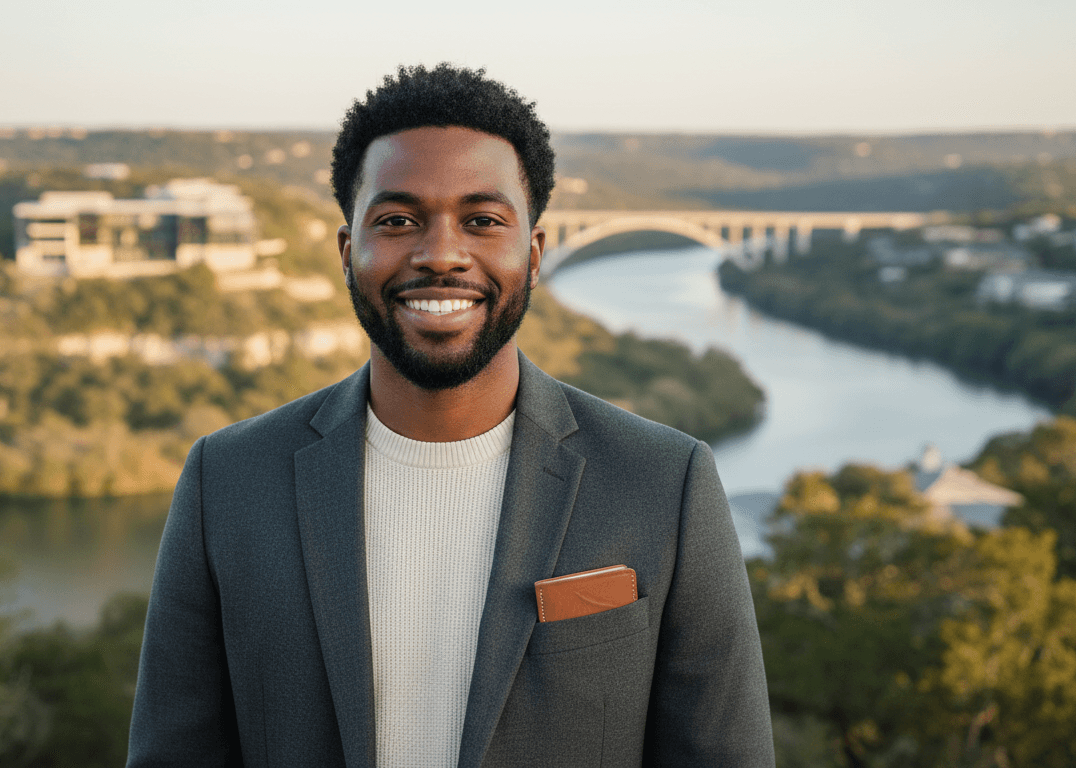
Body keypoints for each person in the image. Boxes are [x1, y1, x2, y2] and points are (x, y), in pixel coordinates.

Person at [127, 64, 774, 768]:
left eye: (482, 221)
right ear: (347, 253)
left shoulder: (665, 484)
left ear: (534, 254)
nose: (440, 255)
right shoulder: (225, 483)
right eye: (397, 221)